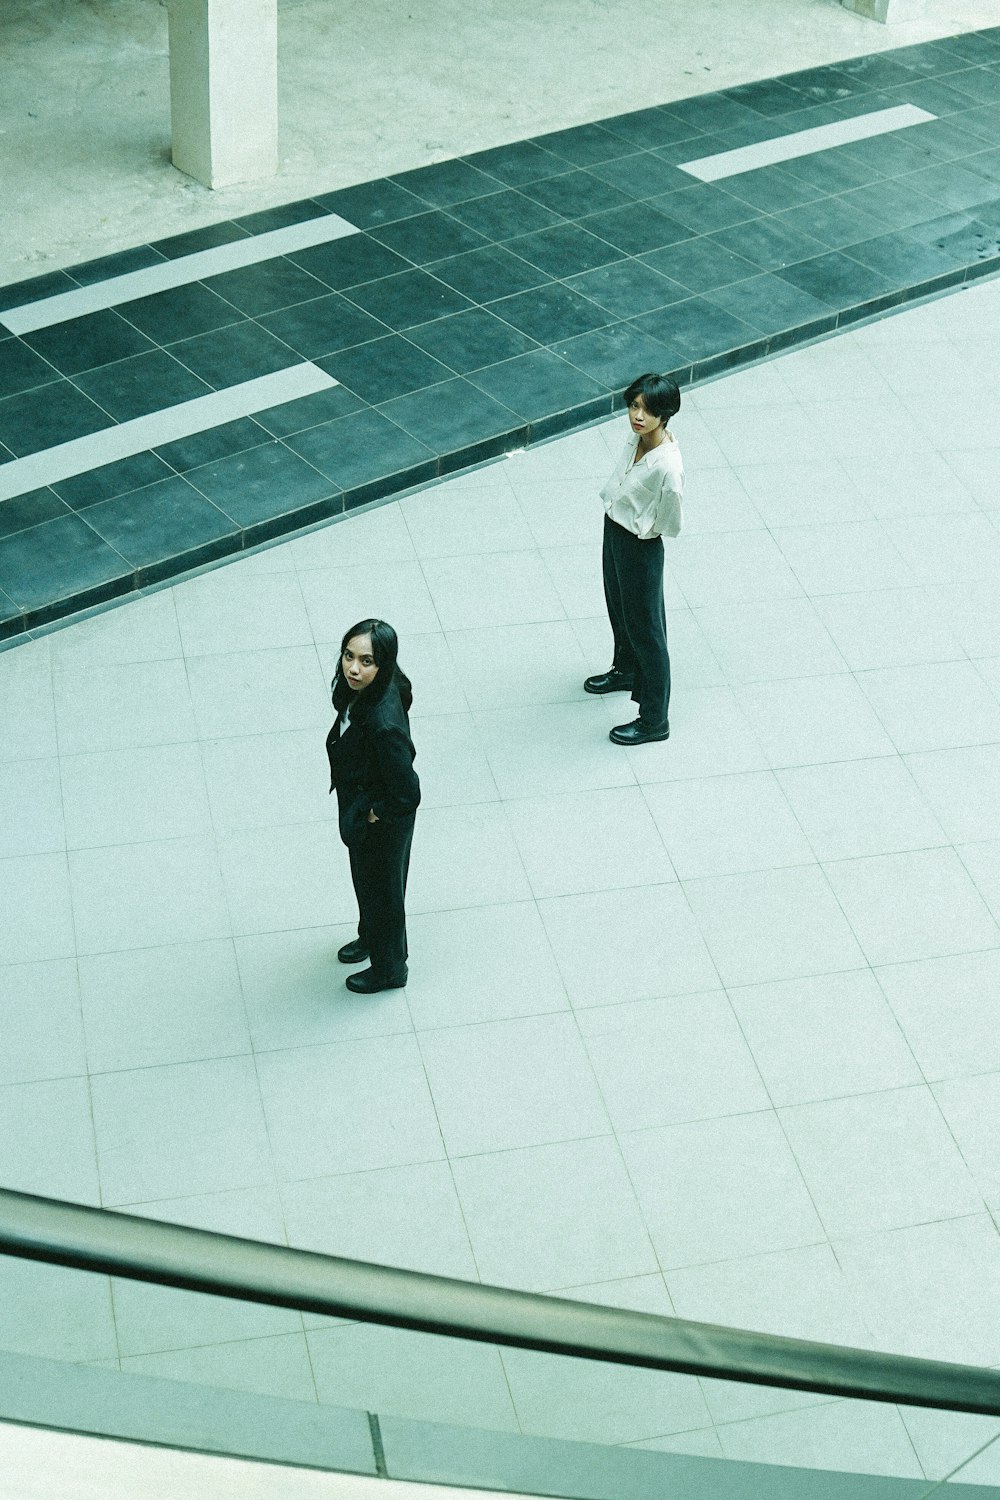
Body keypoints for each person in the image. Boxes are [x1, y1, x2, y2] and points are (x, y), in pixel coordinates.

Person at [585, 372, 684, 746]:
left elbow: (670, 520)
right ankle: (625, 669)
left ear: (666, 414)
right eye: (634, 406)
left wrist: (643, 531)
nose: (637, 416)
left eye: (647, 410)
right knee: (619, 608)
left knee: (648, 632)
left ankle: (654, 719)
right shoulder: (637, 438)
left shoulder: (668, 466)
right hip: (615, 528)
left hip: (639, 543)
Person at [326, 619, 420, 993]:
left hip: (381, 821)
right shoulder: (368, 691)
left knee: (384, 894)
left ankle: (390, 969)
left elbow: (408, 792)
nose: (353, 668)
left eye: (366, 661)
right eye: (349, 656)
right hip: (364, 810)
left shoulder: (383, 725)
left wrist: (372, 813)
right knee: (369, 885)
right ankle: (370, 937)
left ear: (383, 664)